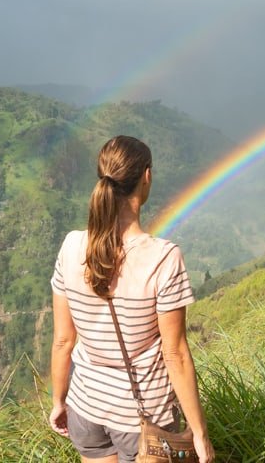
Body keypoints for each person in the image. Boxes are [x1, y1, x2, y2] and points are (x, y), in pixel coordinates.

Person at [49, 136, 214, 463]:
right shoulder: (163, 258)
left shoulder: (70, 247)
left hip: (85, 408)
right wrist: (199, 433)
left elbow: (63, 340)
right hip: (143, 418)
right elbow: (175, 353)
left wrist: (59, 402)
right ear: (147, 177)